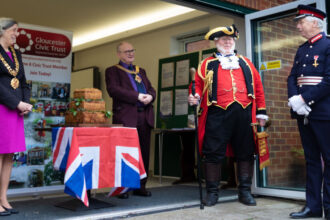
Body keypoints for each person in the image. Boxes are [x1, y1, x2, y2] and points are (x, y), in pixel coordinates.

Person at [188, 25, 268, 207]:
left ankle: (245, 192)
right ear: (216, 42)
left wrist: (261, 111)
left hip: (245, 113)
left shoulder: (246, 63)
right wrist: (195, 96)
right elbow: (198, 86)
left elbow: (258, 87)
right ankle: (212, 193)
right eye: (223, 39)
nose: (227, 42)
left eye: (230, 39)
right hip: (217, 113)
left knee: (246, 152)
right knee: (213, 153)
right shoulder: (206, 63)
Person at [287, 5, 330, 219]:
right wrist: (295, 100)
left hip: (324, 112)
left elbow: (329, 81)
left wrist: (304, 98)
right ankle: (313, 208)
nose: (298, 26)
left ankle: (329, 208)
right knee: (312, 160)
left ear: (315, 22)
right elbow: (291, 77)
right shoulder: (302, 49)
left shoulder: (328, 45)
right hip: (303, 113)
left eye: (301, 22)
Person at [105, 42, 155, 198]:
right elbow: (113, 90)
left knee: (144, 153)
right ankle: (123, 188)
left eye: (132, 50)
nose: (130, 53)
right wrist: (137, 96)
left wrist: (150, 96)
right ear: (118, 54)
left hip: (144, 116)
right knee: (125, 154)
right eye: (126, 51)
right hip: (126, 117)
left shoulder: (141, 71)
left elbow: (151, 88)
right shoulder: (112, 71)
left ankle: (141, 186)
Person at [0, 18, 32, 216]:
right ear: (1, 31)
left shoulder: (16, 53)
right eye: (13, 30)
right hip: (2, 108)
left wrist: (25, 103)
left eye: (17, 31)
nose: (16, 34)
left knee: (9, 155)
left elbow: (23, 82)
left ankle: (3, 197)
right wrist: (16, 102)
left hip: (15, 110)